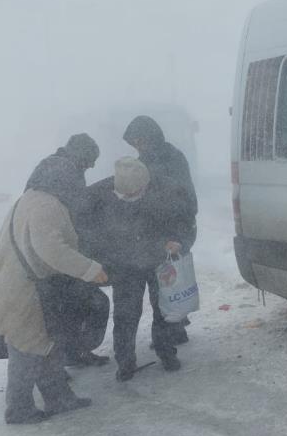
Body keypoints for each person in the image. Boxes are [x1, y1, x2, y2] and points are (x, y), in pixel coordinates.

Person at [0, 156, 108, 424]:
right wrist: (90, 269)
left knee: (47, 345)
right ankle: (19, 409)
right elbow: (51, 248)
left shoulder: (29, 200)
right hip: (25, 293)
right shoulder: (46, 205)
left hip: (17, 288)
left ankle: (59, 398)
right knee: (26, 352)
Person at [79, 157, 192, 379]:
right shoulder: (98, 195)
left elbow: (182, 221)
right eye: (128, 195)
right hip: (123, 265)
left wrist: (178, 240)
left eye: (138, 192)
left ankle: (166, 352)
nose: (134, 196)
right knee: (126, 314)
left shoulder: (163, 190)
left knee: (164, 309)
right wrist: (101, 259)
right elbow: (86, 232)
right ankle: (125, 362)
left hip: (159, 260)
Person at [25, 136, 111, 368]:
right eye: (91, 160)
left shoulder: (54, 165)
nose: (92, 165)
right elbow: (79, 209)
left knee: (70, 312)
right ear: (81, 154)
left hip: (50, 255)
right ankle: (64, 361)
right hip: (56, 258)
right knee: (84, 307)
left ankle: (71, 355)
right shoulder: (63, 170)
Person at [123, 116, 197, 346]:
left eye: (139, 140)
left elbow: (183, 198)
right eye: (133, 142)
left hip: (172, 229)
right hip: (159, 231)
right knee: (169, 284)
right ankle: (175, 329)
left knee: (164, 286)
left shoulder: (170, 159)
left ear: (150, 136)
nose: (137, 146)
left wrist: (179, 236)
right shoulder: (148, 160)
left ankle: (167, 336)